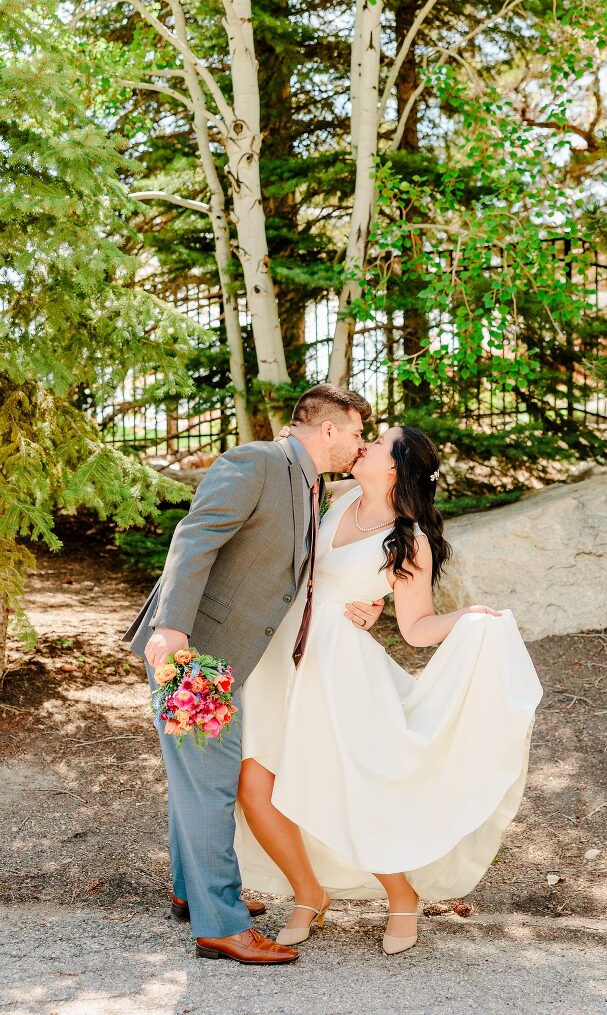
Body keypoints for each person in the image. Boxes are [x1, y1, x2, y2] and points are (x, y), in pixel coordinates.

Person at [234, 424, 544, 955]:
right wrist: (293, 437)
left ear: (396, 466)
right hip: (279, 651)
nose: (365, 446)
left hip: (336, 670)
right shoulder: (342, 496)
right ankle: (309, 894)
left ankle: (401, 896)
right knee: (253, 783)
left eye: (377, 442)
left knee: (350, 788)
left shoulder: (409, 540)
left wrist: (468, 617)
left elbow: (416, 628)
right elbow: (295, 477)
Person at [124, 384, 385, 964]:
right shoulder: (258, 462)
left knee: (197, 780)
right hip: (196, 652)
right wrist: (172, 628)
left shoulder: (309, 481)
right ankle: (222, 924)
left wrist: (374, 601)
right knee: (211, 786)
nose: (361, 442)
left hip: (230, 653)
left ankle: (193, 892)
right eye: (358, 431)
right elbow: (194, 537)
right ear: (328, 430)